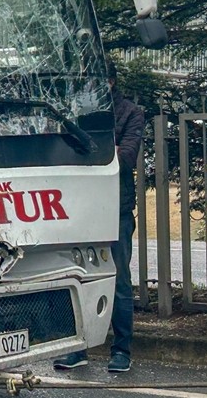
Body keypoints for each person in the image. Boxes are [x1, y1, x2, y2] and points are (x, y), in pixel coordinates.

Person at [53, 64, 145, 373]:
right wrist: (104, 149)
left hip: (116, 207)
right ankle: (77, 348)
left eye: (96, 79)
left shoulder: (130, 112)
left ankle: (121, 350)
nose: (89, 85)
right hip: (79, 205)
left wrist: (93, 150)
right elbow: (62, 152)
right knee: (76, 276)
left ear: (111, 81)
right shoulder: (77, 112)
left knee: (119, 279)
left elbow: (126, 157)